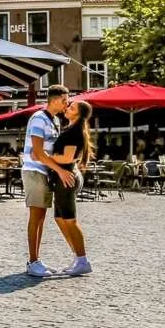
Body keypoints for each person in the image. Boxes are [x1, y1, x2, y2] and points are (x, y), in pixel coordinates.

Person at [21, 84, 73, 278]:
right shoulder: (38, 119)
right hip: (35, 172)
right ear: (56, 99)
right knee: (36, 216)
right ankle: (32, 261)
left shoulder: (54, 121)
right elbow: (38, 152)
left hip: (44, 171)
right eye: (65, 100)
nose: (67, 104)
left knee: (41, 217)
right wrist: (59, 170)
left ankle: (36, 260)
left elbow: (46, 152)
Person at [50, 100, 94, 276]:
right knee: (60, 218)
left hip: (66, 178)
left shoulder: (74, 132)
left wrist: (43, 156)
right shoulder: (70, 130)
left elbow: (67, 158)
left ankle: (83, 260)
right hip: (63, 177)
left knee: (70, 219)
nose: (68, 108)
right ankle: (78, 257)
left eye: (72, 107)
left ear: (78, 114)